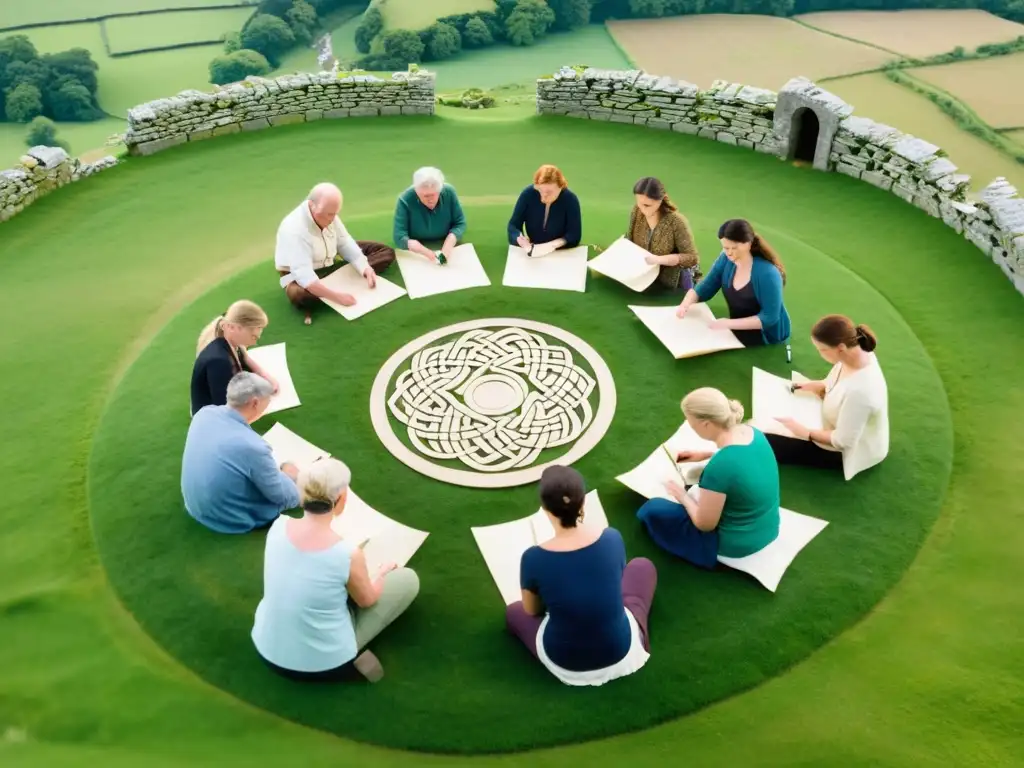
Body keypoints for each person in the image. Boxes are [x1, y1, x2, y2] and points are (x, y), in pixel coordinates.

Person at [252, 458, 420, 683]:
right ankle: (353, 660)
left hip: (265, 648)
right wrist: (382, 574)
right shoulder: (347, 554)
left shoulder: (278, 526)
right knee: (407, 580)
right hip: (325, 666)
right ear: (341, 500)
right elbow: (367, 600)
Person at [505, 465, 656, 686]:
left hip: (566, 660)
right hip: (620, 647)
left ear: (546, 510)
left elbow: (532, 610)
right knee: (642, 567)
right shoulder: (612, 538)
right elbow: (619, 578)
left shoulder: (533, 558)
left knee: (514, 611)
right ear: (583, 502)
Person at [637, 388, 780, 569]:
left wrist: (682, 495)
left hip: (737, 543)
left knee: (652, 510)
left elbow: (705, 524)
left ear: (706, 424)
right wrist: (705, 455)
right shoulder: (753, 432)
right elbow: (741, 462)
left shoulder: (720, 467)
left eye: (691, 423)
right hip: (768, 526)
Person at [764, 315, 889, 481]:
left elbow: (843, 441)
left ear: (840, 348)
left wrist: (806, 433)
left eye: (822, 350)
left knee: (767, 440)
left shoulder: (862, 392)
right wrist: (817, 385)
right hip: (832, 420)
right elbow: (838, 380)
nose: (819, 354)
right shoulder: (856, 353)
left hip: (848, 450)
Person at [182, 373, 300, 534]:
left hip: (196, 506)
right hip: (229, 518)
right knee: (296, 485)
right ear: (255, 403)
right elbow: (284, 497)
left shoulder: (204, 413)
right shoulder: (253, 447)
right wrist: (289, 475)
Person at [274, 182, 394, 325]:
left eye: (335, 214)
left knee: (385, 253)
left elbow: (344, 243)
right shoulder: (295, 230)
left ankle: (350, 275)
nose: (332, 219)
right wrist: (337, 297)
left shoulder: (330, 215)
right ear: (312, 205)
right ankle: (335, 283)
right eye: (329, 215)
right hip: (302, 274)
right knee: (301, 296)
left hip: (330, 258)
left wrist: (365, 268)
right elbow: (305, 276)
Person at [675, 219, 790, 347]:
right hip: (736, 327)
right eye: (725, 248)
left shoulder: (767, 273)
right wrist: (686, 303)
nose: (729, 252)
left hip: (766, 335)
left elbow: (769, 317)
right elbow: (706, 286)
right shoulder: (725, 258)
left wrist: (727, 323)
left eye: (734, 248)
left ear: (748, 243)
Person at [190, 300, 278, 416]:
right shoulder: (219, 362)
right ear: (235, 328)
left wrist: (266, 377)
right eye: (253, 336)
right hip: (209, 418)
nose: (255, 341)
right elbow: (225, 410)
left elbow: (244, 357)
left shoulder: (227, 336)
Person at [627, 176, 699, 291]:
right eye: (639, 203)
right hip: (643, 277)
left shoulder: (676, 222)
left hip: (673, 282)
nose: (642, 209)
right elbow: (629, 240)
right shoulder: (637, 211)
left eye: (647, 205)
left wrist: (659, 260)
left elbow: (691, 258)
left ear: (660, 201)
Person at [393, 166, 467, 263]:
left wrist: (449, 243)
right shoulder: (404, 200)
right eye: (425, 196)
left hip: (446, 241)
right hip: (418, 249)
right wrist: (425, 252)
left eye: (433, 194)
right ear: (417, 192)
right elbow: (399, 237)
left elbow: (460, 223)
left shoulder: (449, 192)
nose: (430, 199)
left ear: (440, 190)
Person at [507, 164, 582, 257]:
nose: (543, 196)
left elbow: (574, 234)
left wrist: (554, 245)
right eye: (540, 190)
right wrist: (520, 239)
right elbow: (513, 225)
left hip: (560, 253)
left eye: (549, 192)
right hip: (532, 249)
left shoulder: (570, 200)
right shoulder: (528, 194)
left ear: (561, 186)